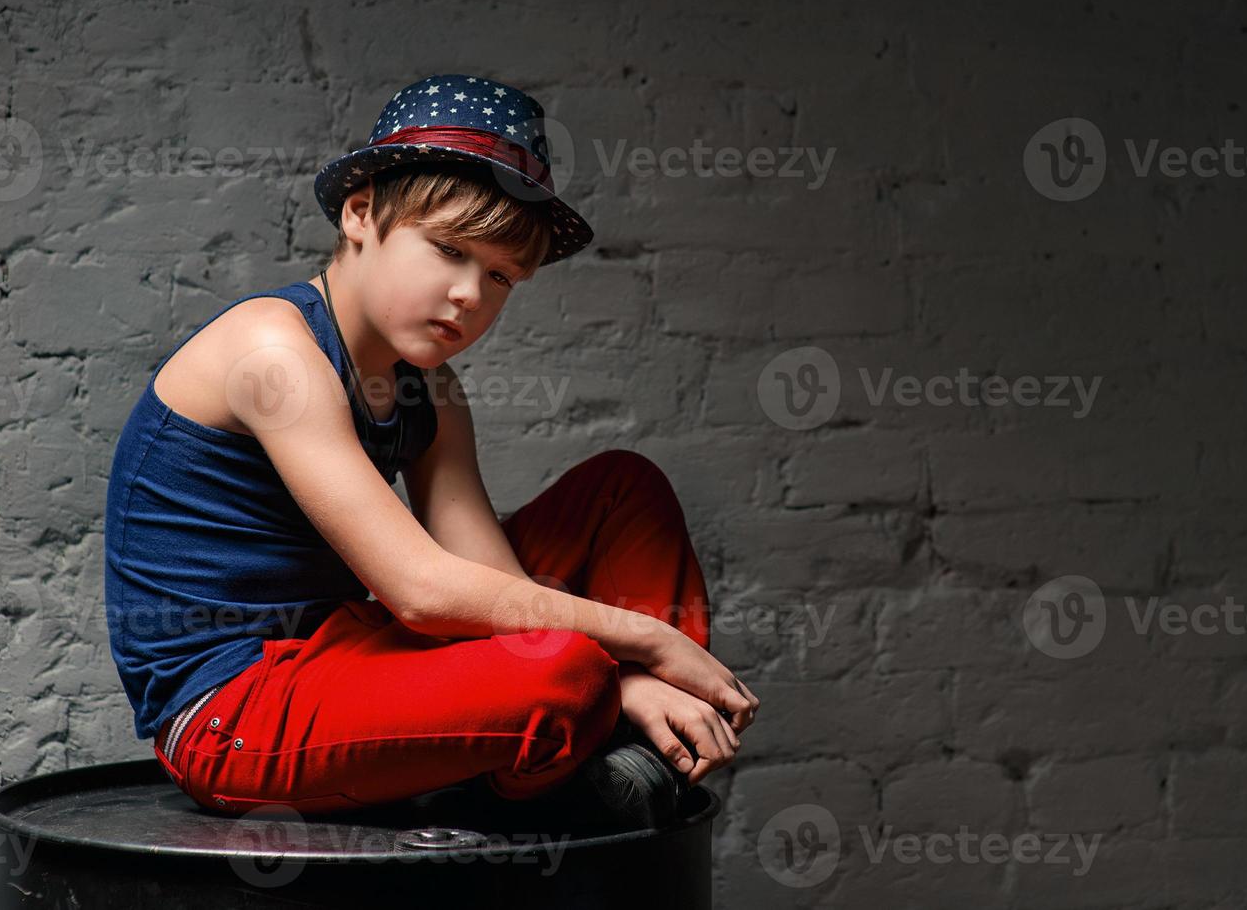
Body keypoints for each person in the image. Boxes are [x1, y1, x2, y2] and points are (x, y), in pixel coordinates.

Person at [102, 73, 760, 829]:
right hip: (238, 713)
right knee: (563, 670)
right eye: (448, 250)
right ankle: (568, 754)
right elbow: (420, 590)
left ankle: (622, 737)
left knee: (621, 490)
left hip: (353, 657)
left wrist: (627, 676)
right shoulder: (273, 352)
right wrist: (645, 643)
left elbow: (487, 580)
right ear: (359, 214)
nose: (470, 296)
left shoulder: (430, 392)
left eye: (501, 276)